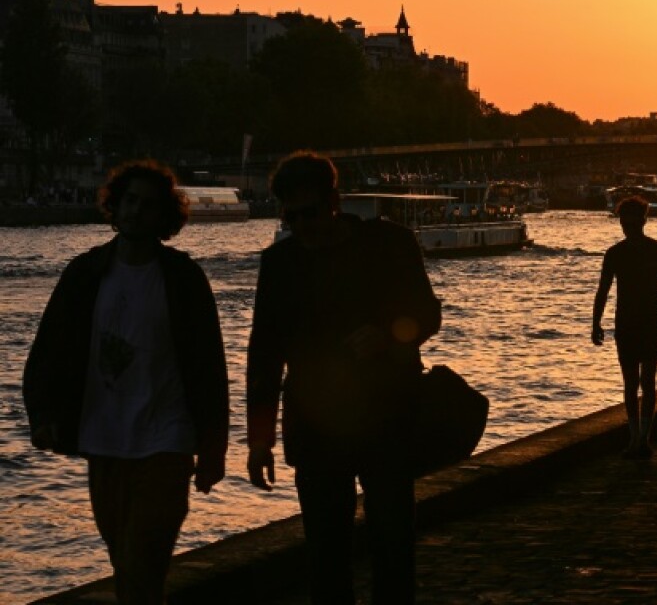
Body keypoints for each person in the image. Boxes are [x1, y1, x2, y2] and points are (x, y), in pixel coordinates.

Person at [22, 160, 229, 604]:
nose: (136, 211)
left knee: (142, 558)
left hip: (167, 441)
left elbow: (209, 366)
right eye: (130, 201)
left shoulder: (183, 278)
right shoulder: (85, 273)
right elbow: (50, 350)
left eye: (148, 205)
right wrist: (42, 415)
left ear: (164, 216)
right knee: (126, 562)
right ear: (116, 205)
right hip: (104, 440)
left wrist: (213, 447)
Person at [246, 151, 442, 604]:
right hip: (317, 427)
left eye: (310, 213)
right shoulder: (279, 263)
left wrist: (385, 337)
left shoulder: (391, 244)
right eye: (291, 217)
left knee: (393, 545)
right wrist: (260, 440)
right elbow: (265, 353)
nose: (302, 226)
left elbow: (428, 314)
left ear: (334, 202)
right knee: (326, 554)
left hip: (386, 418)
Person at [592, 195, 657, 458]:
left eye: (628, 223)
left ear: (640, 222)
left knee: (636, 382)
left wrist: (596, 323)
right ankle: (640, 438)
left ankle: (637, 438)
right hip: (645, 322)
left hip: (633, 323)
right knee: (641, 382)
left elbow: (603, 291)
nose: (626, 228)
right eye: (625, 223)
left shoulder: (617, 253)